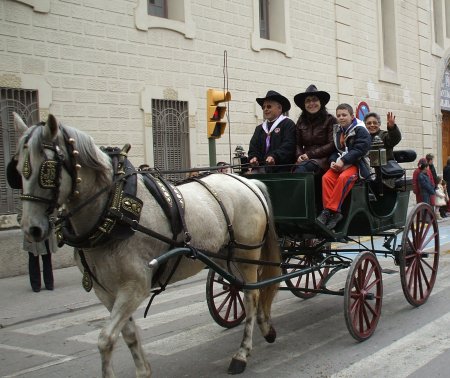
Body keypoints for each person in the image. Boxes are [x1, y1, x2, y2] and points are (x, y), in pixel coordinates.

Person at [316, 103, 371, 230]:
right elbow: (336, 151)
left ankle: (331, 210)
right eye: (339, 115)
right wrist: (333, 161)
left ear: (352, 116)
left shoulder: (361, 130)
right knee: (326, 178)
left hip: (357, 165)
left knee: (343, 178)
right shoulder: (339, 131)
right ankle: (329, 213)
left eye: (344, 115)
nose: (341, 118)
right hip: (342, 164)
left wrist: (344, 161)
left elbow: (360, 150)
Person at [6, 155, 56, 293]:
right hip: (31, 232)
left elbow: (53, 211)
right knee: (33, 259)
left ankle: (49, 283)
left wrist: (51, 222)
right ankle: (36, 286)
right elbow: (20, 215)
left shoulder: (45, 196)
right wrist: (26, 226)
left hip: (46, 232)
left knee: (47, 259)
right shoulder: (25, 199)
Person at [248, 90, 296, 173]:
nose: (265, 109)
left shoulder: (288, 124)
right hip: (262, 168)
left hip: (282, 168)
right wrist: (254, 157)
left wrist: (274, 157)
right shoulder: (259, 128)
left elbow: (289, 146)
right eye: (263, 107)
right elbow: (253, 147)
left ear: (279, 108)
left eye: (269, 106)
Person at [292, 84, 337, 174]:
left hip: (324, 160)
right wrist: (299, 155)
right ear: (304, 105)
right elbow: (297, 143)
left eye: (315, 100)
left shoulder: (330, 119)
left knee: (301, 169)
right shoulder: (301, 121)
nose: (311, 103)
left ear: (321, 103)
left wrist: (310, 155)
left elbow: (332, 144)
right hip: (305, 159)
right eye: (308, 101)